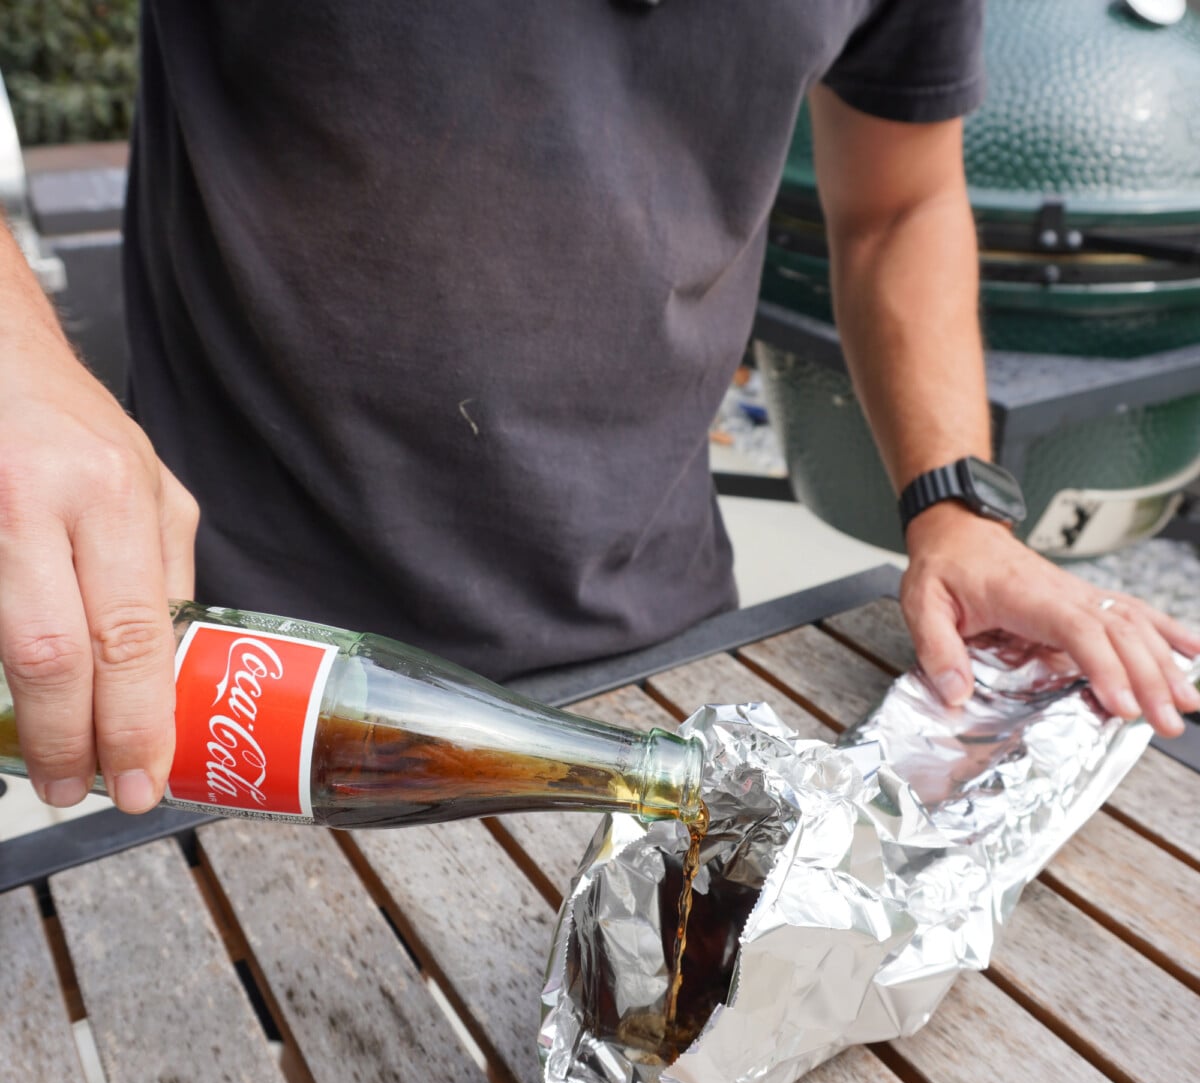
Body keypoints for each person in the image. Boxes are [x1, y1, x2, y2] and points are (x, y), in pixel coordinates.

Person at [1, 1, 1197, 817]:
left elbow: (901, 206)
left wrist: (956, 507)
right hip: (230, 665)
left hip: (659, 636)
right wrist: (22, 366)